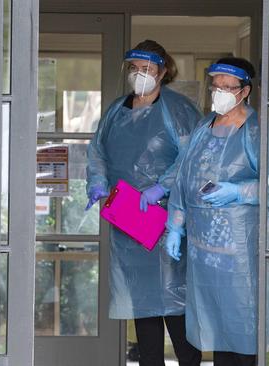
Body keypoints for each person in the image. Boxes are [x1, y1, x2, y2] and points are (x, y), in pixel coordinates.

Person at [165, 57, 269, 365]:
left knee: (245, 333)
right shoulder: (203, 127)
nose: (220, 92)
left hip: (243, 256)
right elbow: (184, 178)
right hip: (204, 256)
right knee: (217, 334)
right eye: (216, 85)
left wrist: (239, 191)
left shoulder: (261, 132)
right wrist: (176, 225)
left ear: (245, 90)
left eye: (228, 87)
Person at [85, 40, 202, 365]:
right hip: (129, 220)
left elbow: (193, 157)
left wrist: (160, 188)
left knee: (176, 308)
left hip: (168, 222)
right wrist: (97, 181)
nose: (140, 75)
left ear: (163, 71)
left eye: (147, 69)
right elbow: (97, 150)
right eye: (134, 69)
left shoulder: (177, 110)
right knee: (144, 311)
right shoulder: (116, 110)